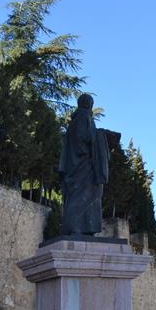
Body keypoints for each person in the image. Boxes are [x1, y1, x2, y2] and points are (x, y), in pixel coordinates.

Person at [57, 94, 108, 235]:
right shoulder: (83, 116)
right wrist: (100, 135)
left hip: (76, 165)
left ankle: (85, 228)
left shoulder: (76, 119)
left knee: (84, 196)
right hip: (83, 165)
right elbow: (83, 137)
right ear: (89, 104)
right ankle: (75, 227)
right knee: (86, 195)